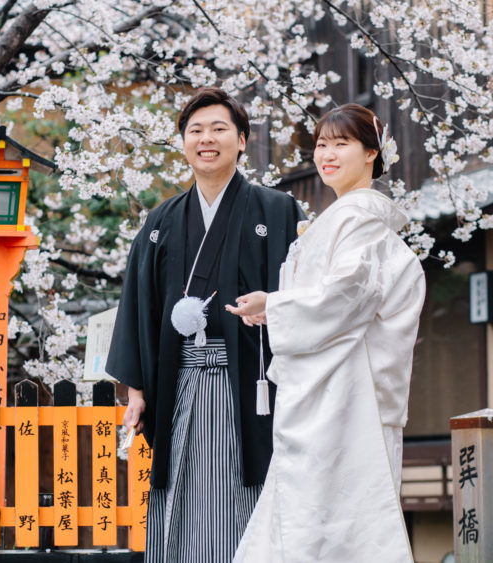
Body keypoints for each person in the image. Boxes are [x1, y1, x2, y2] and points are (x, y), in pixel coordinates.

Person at [105, 87, 304, 563]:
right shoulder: (162, 221)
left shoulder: (278, 211)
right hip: (180, 383)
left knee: (250, 490)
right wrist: (136, 391)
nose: (206, 139)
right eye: (195, 131)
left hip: (255, 386)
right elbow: (139, 305)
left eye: (219, 129)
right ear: (183, 143)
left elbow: (306, 297)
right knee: (183, 495)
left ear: (241, 140)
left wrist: (275, 306)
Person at [227, 103, 426, 563]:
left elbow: (345, 298)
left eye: (342, 144)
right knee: (319, 518)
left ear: (372, 153)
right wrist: (275, 309)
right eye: (321, 144)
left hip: (345, 396)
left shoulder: (359, 220)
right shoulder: (340, 220)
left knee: (330, 521)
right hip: (329, 390)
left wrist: (274, 305)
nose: (327, 154)